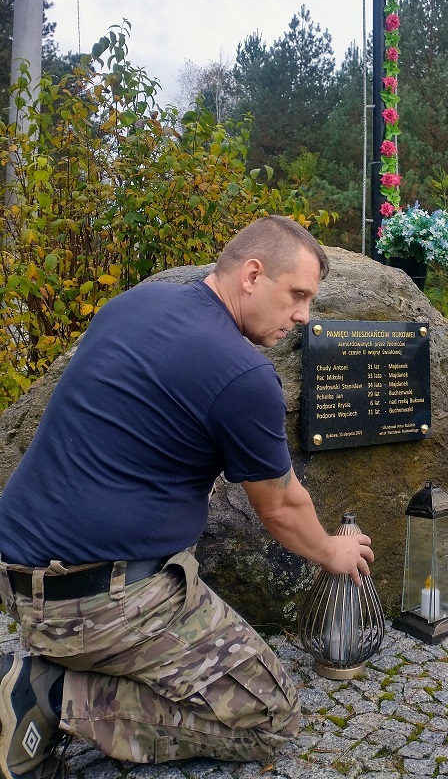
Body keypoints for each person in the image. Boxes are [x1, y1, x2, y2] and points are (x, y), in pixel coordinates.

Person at [0, 215, 374, 779]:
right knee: (271, 717)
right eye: (297, 294)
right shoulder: (242, 373)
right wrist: (331, 552)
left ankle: (69, 661)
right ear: (252, 274)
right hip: (101, 601)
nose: (303, 316)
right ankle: (51, 695)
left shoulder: (136, 304)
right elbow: (279, 505)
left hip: (24, 577)